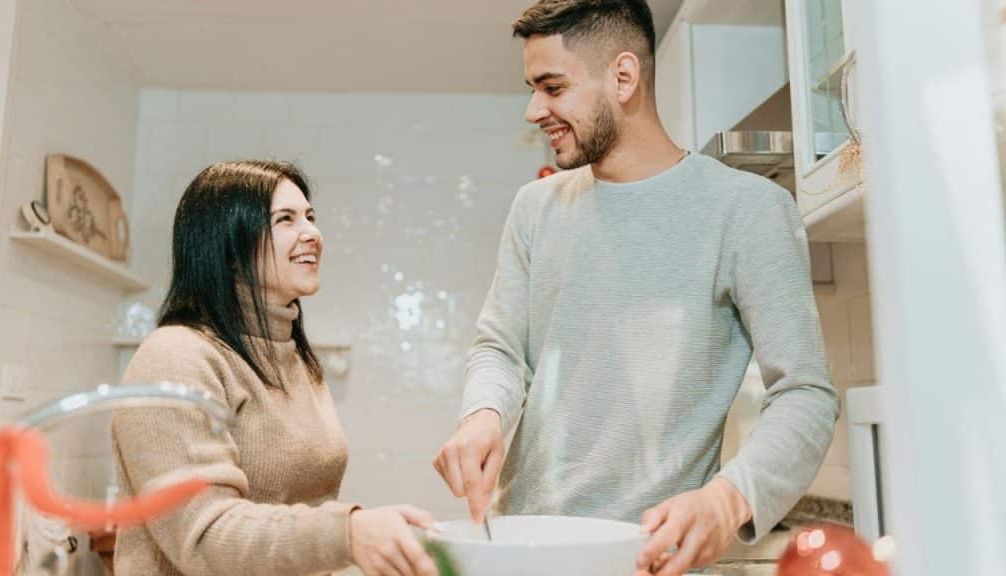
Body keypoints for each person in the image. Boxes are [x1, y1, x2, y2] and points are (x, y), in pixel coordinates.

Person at [431, 2, 840, 575]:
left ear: (623, 77)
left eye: (552, 87)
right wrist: (483, 415)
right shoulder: (535, 209)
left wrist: (729, 497)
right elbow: (501, 348)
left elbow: (806, 394)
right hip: (520, 549)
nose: (532, 111)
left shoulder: (748, 211)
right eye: (531, 88)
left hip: (648, 559)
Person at [112, 161, 437, 576]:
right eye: (285, 219)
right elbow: (204, 536)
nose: (312, 234)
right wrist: (346, 533)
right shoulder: (175, 357)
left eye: (310, 217)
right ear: (228, 249)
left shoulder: (295, 357)